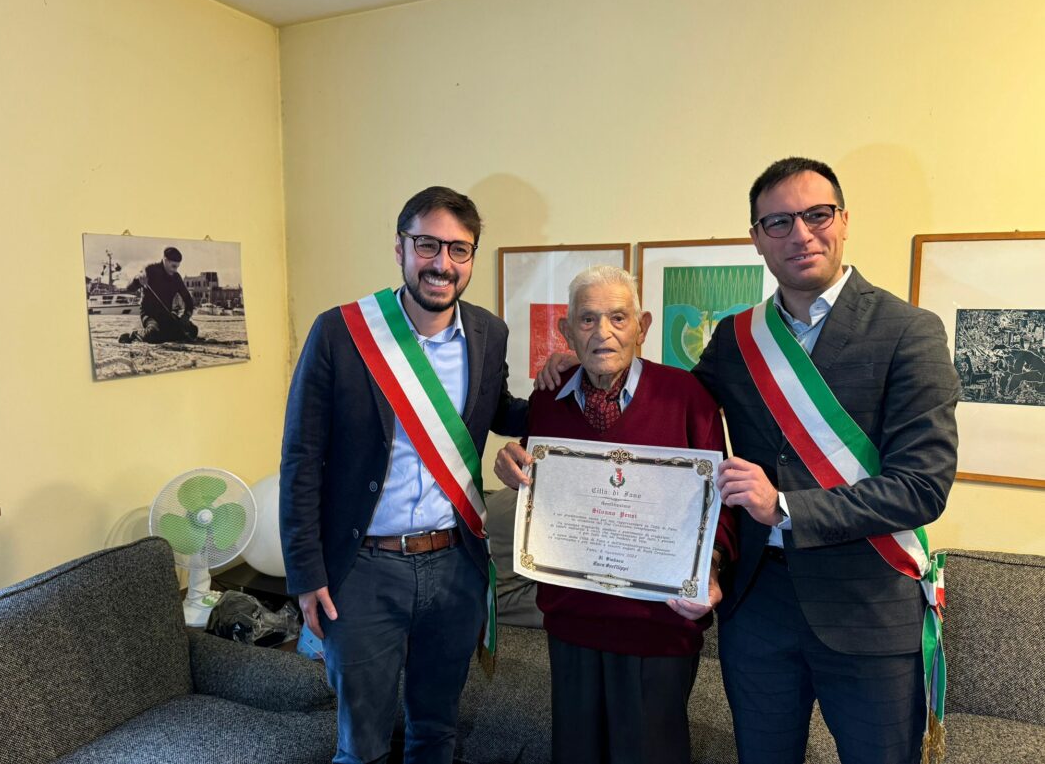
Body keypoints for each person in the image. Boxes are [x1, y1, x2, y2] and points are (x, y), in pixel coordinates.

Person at [538, 158, 959, 764]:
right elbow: (666, 411)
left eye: (817, 215)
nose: (801, 234)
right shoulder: (737, 337)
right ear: (758, 238)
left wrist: (784, 506)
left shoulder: (909, 331)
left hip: (867, 608)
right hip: (757, 607)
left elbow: (922, 487)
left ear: (844, 221)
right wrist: (582, 366)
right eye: (779, 222)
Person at [280, 186, 527, 764]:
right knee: (361, 746)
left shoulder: (489, 333)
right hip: (364, 570)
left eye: (459, 249)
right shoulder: (340, 332)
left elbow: (497, 411)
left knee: (436, 732)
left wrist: (564, 383)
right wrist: (305, 573)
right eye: (427, 245)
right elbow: (300, 458)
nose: (443, 263)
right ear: (400, 248)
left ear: (471, 258)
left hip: (455, 565)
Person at [494, 265, 736, 764]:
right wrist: (511, 463)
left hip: (658, 623)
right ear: (566, 332)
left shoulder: (686, 397)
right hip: (573, 619)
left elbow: (722, 502)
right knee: (577, 752)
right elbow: (539, 480)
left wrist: (711, 566)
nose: (602, 332)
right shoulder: (548, 398)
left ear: (642, 327)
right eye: (587, 319)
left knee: (651, 753)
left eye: (618, 318)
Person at [119, 246, 198, 343]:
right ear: (165, 260)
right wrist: (137, 280)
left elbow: (188, 300)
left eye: (177, 267)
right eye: (173, 266)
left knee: (192, 331)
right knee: (153, 334)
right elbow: (129, 288)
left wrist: (186, 316)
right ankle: (135, 334)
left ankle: (165, 334)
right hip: (149, 314)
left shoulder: (176, 278)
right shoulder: (150, 270)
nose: (175, 270)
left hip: (166, 315)